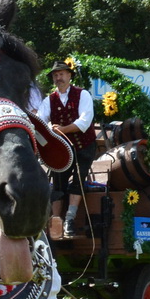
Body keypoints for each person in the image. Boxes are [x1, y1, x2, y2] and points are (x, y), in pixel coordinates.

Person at [38, 59, 97, 238]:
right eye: (56, 75)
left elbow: (84, 122)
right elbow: (40, 122)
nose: (58, 78)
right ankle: (56, 222)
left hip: (83, 145)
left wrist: (61, 129)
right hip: (60, 147)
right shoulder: (49, 100)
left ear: (69, 75)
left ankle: (70, 219)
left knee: (78, 180)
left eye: (62, 74)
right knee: (58, 183)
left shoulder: (83, 94)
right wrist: (50, 129)